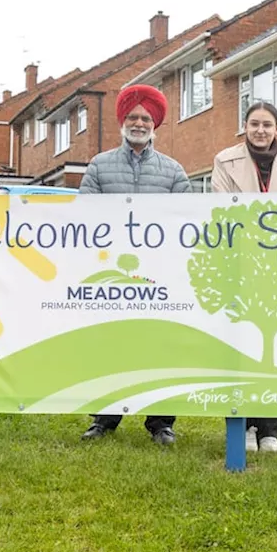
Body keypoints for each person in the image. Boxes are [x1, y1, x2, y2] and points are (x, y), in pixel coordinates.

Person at [78, 84, 190, 445]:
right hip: (112, 273)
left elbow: (186, 223)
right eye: (132, 117)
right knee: (110, 344)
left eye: (145, 117)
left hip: (159, 276)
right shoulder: (99, 165)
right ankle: (104, 418)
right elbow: (84, 216)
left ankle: (161, 422)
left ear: (155, 123)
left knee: (161, 346)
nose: (139, 123)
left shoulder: (174, 172)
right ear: (122, 122)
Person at [211, 100, 277, 454]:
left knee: (275, 346)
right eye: (254, 124)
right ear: (245, 127)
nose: (261, 130)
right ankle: (243, 424)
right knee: (238, 344)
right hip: (237, 261)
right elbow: (223, 208)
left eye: (267, 124)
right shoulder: (224, 161)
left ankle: (270, 429)